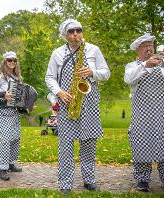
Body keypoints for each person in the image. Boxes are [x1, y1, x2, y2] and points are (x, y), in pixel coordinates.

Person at [45, 19, 110, 194]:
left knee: (89, 144)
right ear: (65, 35)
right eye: (72, 31)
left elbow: (106, 73)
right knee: (65, 146)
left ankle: (89, 180)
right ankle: (65, 183)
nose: (76, 34)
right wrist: (59, 92)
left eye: (78, 30)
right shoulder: (57, 53)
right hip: (68, 104)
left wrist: (92, 72)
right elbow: (49, 77)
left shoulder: (93, 50)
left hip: (90, 104)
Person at [124, 33, 164, 192]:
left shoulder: (163, 66)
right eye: (145, 46)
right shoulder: (132, 66)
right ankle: (142, 180)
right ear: (138, 49)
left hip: (163, 115)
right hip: (142, 115)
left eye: (151, 45)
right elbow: (129, 79)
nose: (149, 48)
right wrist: (146, 65)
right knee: (142, 145)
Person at [0, 51, 23, 181]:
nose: (12, 62)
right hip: (2, 112)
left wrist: (25, 104)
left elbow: (19, 95)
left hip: (14, 112)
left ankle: (11, 163)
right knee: (5, 140)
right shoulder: (0, 75)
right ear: (5, 62)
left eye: (14, 60)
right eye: (9, 60)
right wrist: (3, 94)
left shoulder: (17, 77)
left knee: (15, 139)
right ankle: (2, 168)